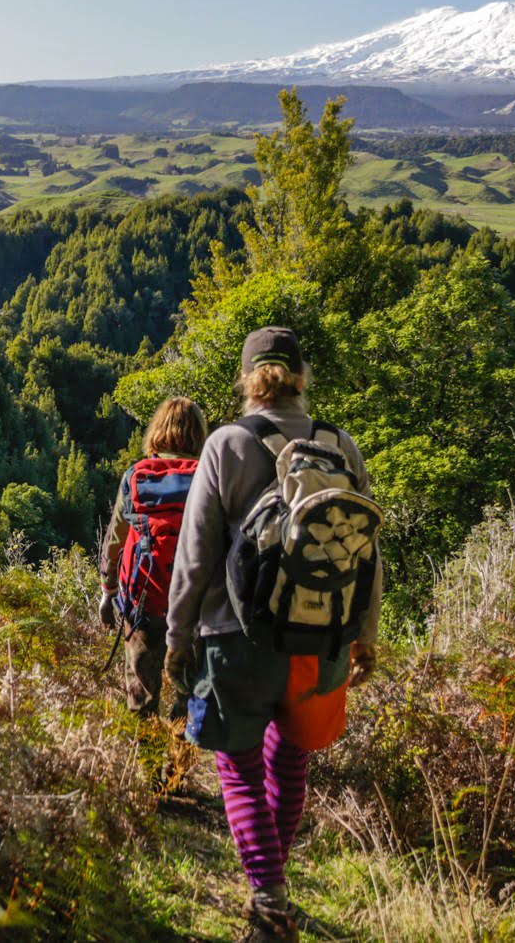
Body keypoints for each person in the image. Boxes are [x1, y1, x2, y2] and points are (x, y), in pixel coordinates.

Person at [163, 327, 379, 943]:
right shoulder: (342, 446)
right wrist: (365, 633)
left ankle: (270, 899)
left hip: (237, 637)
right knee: (289, 762)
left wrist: (178, 637)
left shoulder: (227, 444)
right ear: (302, 377)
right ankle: (275, 892)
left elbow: (195, 553)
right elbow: (368, 552)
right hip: (325, 637)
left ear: (248, 378)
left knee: (237, 768)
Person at [98, 396, 208, 716]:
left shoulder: (137, 475)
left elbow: (115, 540)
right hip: (193, 610)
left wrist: (108, 594)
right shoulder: (208, 476)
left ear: (157, 430)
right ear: (198, 435)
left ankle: (146, 762)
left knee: (142, 697)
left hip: (144, 604)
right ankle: (175, 766)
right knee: (188, 697)